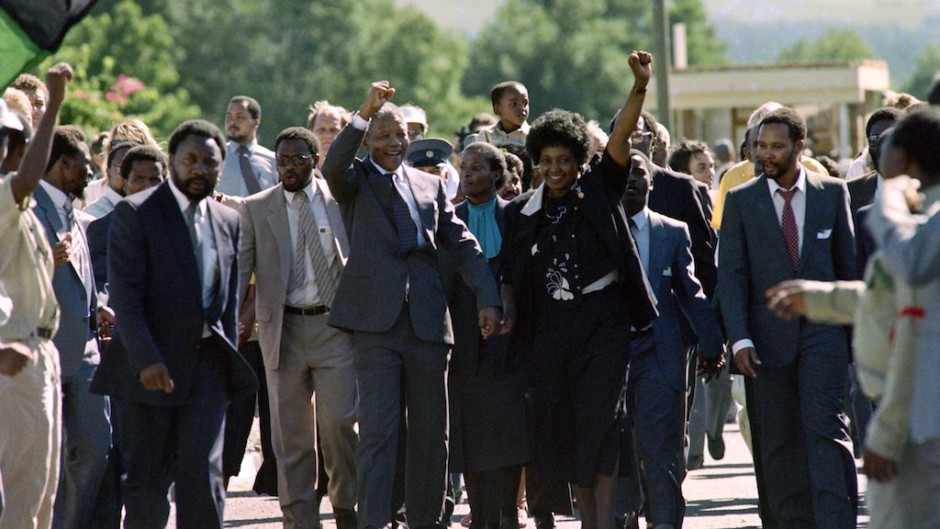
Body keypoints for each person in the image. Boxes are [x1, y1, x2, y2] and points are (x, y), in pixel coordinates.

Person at [321, 80, 503, 529]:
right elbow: (333, 164)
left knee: (431, 433)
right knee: (379, 432)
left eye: (400, 134)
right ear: (367, 141)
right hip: (375, 325)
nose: (394, 142)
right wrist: (365, 110)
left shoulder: (430, 184)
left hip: (427, 324)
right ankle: (375, 521)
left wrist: (488, 296)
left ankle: (427, 519)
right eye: (382, 135)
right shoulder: (354, 180)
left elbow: (461, 245)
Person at [499, 51, 657, 529]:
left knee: (602, 423)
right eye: (546, 161)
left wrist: (639, 87)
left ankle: (605, 521)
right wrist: (503, 311)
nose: (555, 169)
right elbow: (510, 276)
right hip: (549, 331)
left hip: (602, 323)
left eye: (564, 160)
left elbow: (622, 135)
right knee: (563, 430)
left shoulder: (600, 187)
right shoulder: (519, 213)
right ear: (536, 163)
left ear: (578, 160)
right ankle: (586, 519)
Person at [92, 119, 257, 528]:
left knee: (203, 481)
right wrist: (146, 358)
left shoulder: (229, 220)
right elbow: (126, 296)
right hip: (148, 370)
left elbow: (229, 299)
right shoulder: (136, 213)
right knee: (147, 487)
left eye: (209, 162)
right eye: (190, 160)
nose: (200, 169)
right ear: (172, 162)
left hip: (206, 369)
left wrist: (224, 367)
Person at [717, 107, 858, 529]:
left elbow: (847, 269)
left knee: (825, 433)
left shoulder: (832, 193)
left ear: (800, 147)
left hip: (823, 339)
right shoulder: (741, 201)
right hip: (763, 345)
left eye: (777, 147)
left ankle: (836, 521)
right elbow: (731, 276)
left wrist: (856, 342)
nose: (766, 154)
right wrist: (739, 340)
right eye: (760, 146)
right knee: (777, 446)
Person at [238, 126, 359, 529]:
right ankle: (300, 519)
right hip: (283, 330)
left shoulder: (340, 201)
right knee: (290, 438)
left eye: (298, 160)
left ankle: (345, 504)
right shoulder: (257, 207)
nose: (289, 168)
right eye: (282, 161)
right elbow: (241, 272)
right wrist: (231, 315)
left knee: (340, 424)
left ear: (316, 161)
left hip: (334, 325)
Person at [618, 149, 725, 529]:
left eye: (640, 174)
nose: (632, 180)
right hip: (610, 357)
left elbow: (691, 293)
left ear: (652, 181)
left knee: (661, 451)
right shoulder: (598, 228)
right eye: (625, 174)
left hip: (660, 355)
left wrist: (712, 344)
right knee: (619, 453)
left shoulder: (671, 231)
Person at [32, 124, 116, 529]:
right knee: (43, 460)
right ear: (64, 164)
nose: (92, 173)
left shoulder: (74, 210)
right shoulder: (25, 209)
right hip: (42, 350)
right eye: (86, 164)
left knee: (97, 446)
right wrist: (46, 260)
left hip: (86, 353)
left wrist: (99, 304)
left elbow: (85, 277)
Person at [0, 62, 71, 529]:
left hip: (41, 350)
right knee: (23, 500)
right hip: (14, 353)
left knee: (43, 495)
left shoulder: (16, 203)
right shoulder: (7, 192)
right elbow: (27, 178)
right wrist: (55, 104)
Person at [444, 141, 526, 529]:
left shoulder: (517, 216)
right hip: (463, 341)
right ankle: (481, 516)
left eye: (478, 168)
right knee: (470, 431)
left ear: (498, 175)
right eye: (464, 168)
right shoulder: (449, 217)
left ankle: (510, 511)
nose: (468, 174)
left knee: (509, 429)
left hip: (510, 342)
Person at [711, 102, 830, 231]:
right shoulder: (732, 178)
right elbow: (726, 233)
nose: (767, 152)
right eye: (759, 143)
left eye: (776, 143)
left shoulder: (815, 170)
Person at [218, 95, 277, 197]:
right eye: (228, 117)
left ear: (256, 122)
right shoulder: (216, 158)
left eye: (239, 117)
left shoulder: (273, 161)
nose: (232, 122)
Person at [82, 141, 138, 220]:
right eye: (122, 169)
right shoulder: (94, 214)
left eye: (136, 172)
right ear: (108, 172)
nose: (129, 176)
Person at [307, 100, 352, 167]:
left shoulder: (358, 173)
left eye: (333, 130)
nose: (327, 135)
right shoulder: (301, 174)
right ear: (310, 134)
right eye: (321, 130)